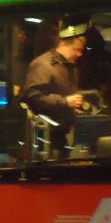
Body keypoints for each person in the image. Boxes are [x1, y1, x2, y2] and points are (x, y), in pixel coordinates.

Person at [21, 14, 89, 155]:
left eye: (81, 50)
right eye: (76, 49)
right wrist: (65, 102)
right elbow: (33, 98)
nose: (79, 54)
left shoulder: (71, 68)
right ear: (63, 43)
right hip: (44, 139)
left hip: (64, 136)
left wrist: (74, 107)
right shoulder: (42, 65)